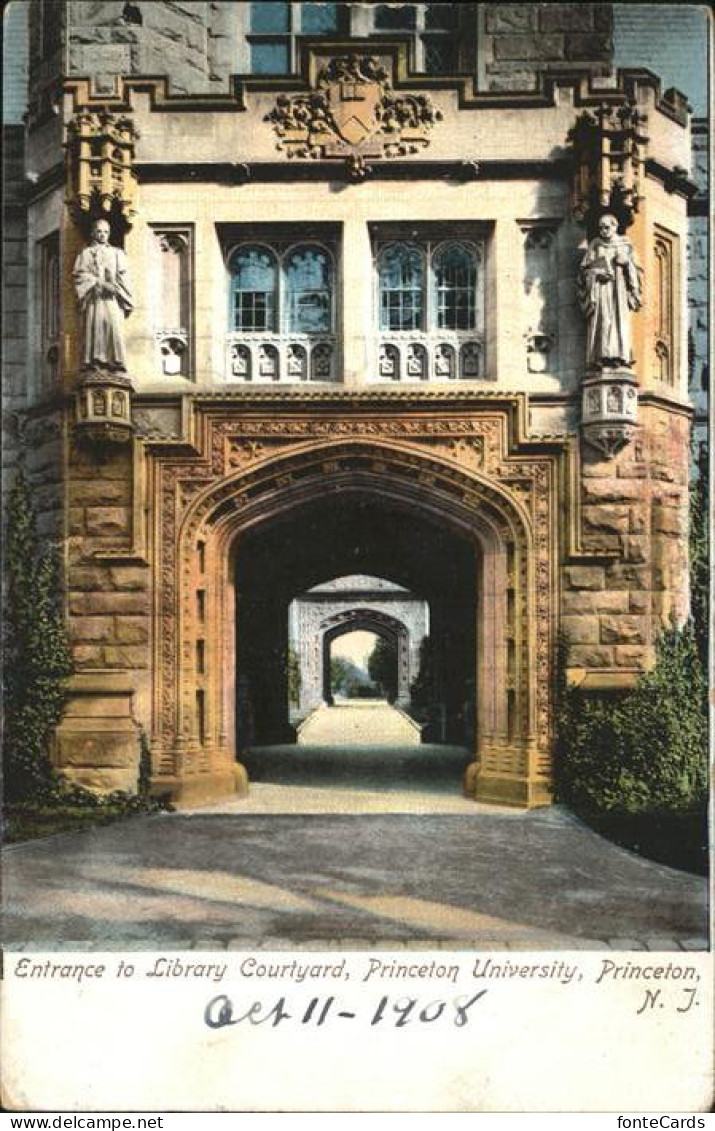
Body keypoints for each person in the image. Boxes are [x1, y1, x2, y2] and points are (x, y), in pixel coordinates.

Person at [578, 213, 641, 369]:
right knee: (603, 320)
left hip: (619, 291)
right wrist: (596, 273)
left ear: (615, 226)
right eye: (600, 228)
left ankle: (620, 357)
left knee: (620, 322)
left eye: (607, 227)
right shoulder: (596, 245)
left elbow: (638, 273)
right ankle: (601, 356)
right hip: (601, 290)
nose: (603, 231)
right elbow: (584, 272)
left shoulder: (626, 245)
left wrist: (627, 263)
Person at [73, 218, 133, 370]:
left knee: (113, 327)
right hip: (95, 299)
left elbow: (124, 277)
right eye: (99, 231)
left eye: (106, 232)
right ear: (93, 233)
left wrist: (116, 287)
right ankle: (96, 362)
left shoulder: (117, 253)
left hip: (112, 299)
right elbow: (80, 275)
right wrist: (97, 282)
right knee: (96, 327)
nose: (102, 235)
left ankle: (116, 362)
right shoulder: (86, 253)